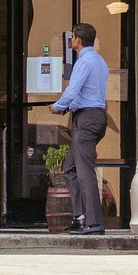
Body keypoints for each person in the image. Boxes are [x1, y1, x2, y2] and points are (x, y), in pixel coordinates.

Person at [50, 22, 109, 235]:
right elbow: (88, 92)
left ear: (78, 39)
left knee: (85, 172)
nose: (71, 40)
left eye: (72, 37)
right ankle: (79, 217)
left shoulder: (83, 62)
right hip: (95, 117)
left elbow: (73, 90)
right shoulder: (99, 61)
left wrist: (58, 106)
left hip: (86, 120)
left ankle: (94, 224)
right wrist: (70, 107)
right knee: (70, 169)